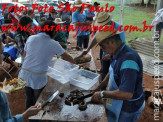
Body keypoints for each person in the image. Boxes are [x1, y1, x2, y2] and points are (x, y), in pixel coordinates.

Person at [18, 20, 75, 109]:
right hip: (38, 77)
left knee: (29, 98)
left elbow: (25, 55)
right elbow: (68, 57)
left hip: (24, 74)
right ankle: (36, 117)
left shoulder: (31, 38)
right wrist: (77, 67)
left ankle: (28, 117)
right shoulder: (53, 43)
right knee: (39, 101)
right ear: (53, 32)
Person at [91, 30, 145, 122]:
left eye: (103, 47)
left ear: (112, 41)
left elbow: (126, 94)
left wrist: (102, 93)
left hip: (129, 107)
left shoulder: (129, 60)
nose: (103, 50)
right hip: (118, 101)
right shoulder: (116, 53)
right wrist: (99, 87)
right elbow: (111, 72)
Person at [81, 12, 126, 90]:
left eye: (104, 24)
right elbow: (96, 38)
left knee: (114, 72)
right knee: (105, 71)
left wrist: (111, 55)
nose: (103, 26)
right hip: (105, 52)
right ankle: (102, 89)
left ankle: (114, 90)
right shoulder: (102, 27)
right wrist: (88, 49)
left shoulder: (118, 27)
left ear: (109, 21)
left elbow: (122, 43)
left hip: (116, 54)